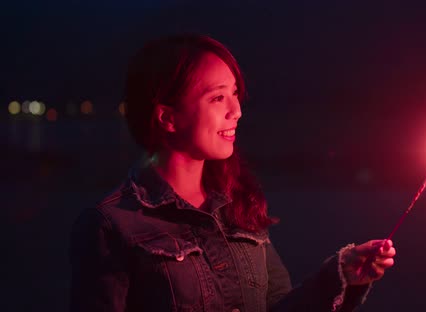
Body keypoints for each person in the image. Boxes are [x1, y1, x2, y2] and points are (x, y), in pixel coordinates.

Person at [69, 34, 396, 312]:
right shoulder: (112, 225)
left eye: (235, 94)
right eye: (217, 98)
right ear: (168, 117)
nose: (236, 111)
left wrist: (341, 276)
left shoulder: (237, 206)